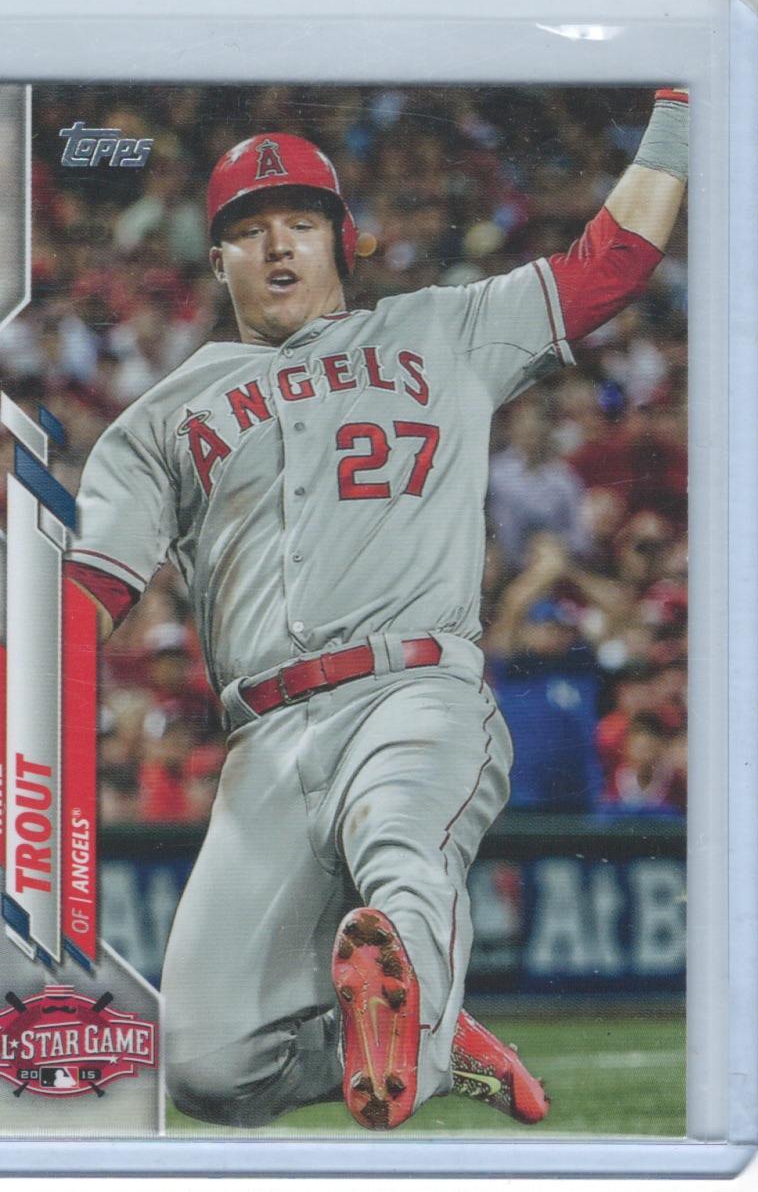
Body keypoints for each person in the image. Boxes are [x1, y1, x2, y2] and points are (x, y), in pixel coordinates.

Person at [65, 91, 688, 1130]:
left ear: (341, 239)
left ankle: (413, 1002)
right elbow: (93, 588)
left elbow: (613, 260)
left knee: (403, 850)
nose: (277, 245)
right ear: (215, 261)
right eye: (249, 230)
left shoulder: (445, 329)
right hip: (263, 743)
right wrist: (8, 658)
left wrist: (681, 103)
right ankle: (429, 1031)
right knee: (207, 1068)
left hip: (412, 690)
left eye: (300, 222)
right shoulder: (160, 419)